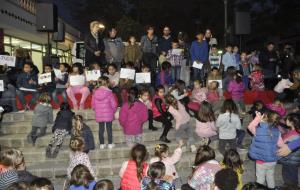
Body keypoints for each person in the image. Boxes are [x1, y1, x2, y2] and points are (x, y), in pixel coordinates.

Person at [248, 111, 282, 189]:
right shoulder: (277, 131)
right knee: (270, 176)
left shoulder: (258, 130)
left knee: (260, 178)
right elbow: (281, 145)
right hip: (272, 160)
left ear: (265, 118)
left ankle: (258, 188)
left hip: (261, 161)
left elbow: (250, 127)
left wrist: (257, 118)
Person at [92, 76, 118, 149]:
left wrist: (97, 110)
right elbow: (114, 104)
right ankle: (110, 143)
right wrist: (114, 111)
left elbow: (93, 105)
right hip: (109, 114)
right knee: (109, 129)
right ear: (107, 83)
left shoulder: (95, 92)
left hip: (99, 114)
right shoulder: (109, 93)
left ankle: (101, 144)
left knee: (101, 129)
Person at [278, 113, 300, 188]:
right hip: (291, 160)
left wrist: (278, 158)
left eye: (287, 119)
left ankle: (291, 187)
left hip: (290, 160)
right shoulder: (294, 130)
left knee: (290, 176)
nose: (285, 120)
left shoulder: (294, 135)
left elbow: (285, 149)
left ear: (292, 122)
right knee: (291, 174)